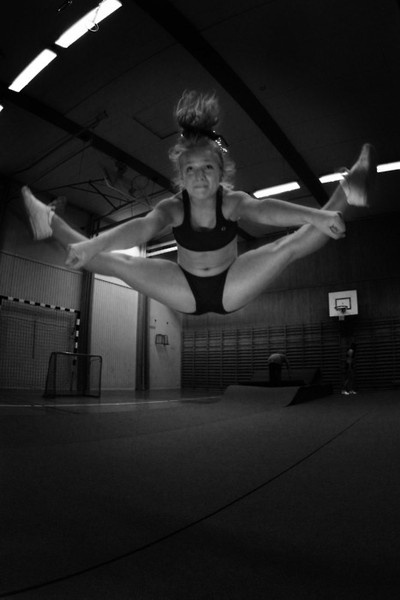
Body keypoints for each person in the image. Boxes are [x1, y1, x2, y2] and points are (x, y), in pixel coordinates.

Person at [21, 90, 377, 316]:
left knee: (289, 246)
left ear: (221, 170)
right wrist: (92, 245)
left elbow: (265, 209)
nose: (200, 175)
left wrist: (315, 214)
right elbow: (142, 228)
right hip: (184, 286)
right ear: (180, 174)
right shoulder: (173, 207)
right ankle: (49, 223)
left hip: (232, 283)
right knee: (113, 263)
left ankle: (348, 191)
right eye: (190, 169)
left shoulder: (232, 200)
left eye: (208, 167)